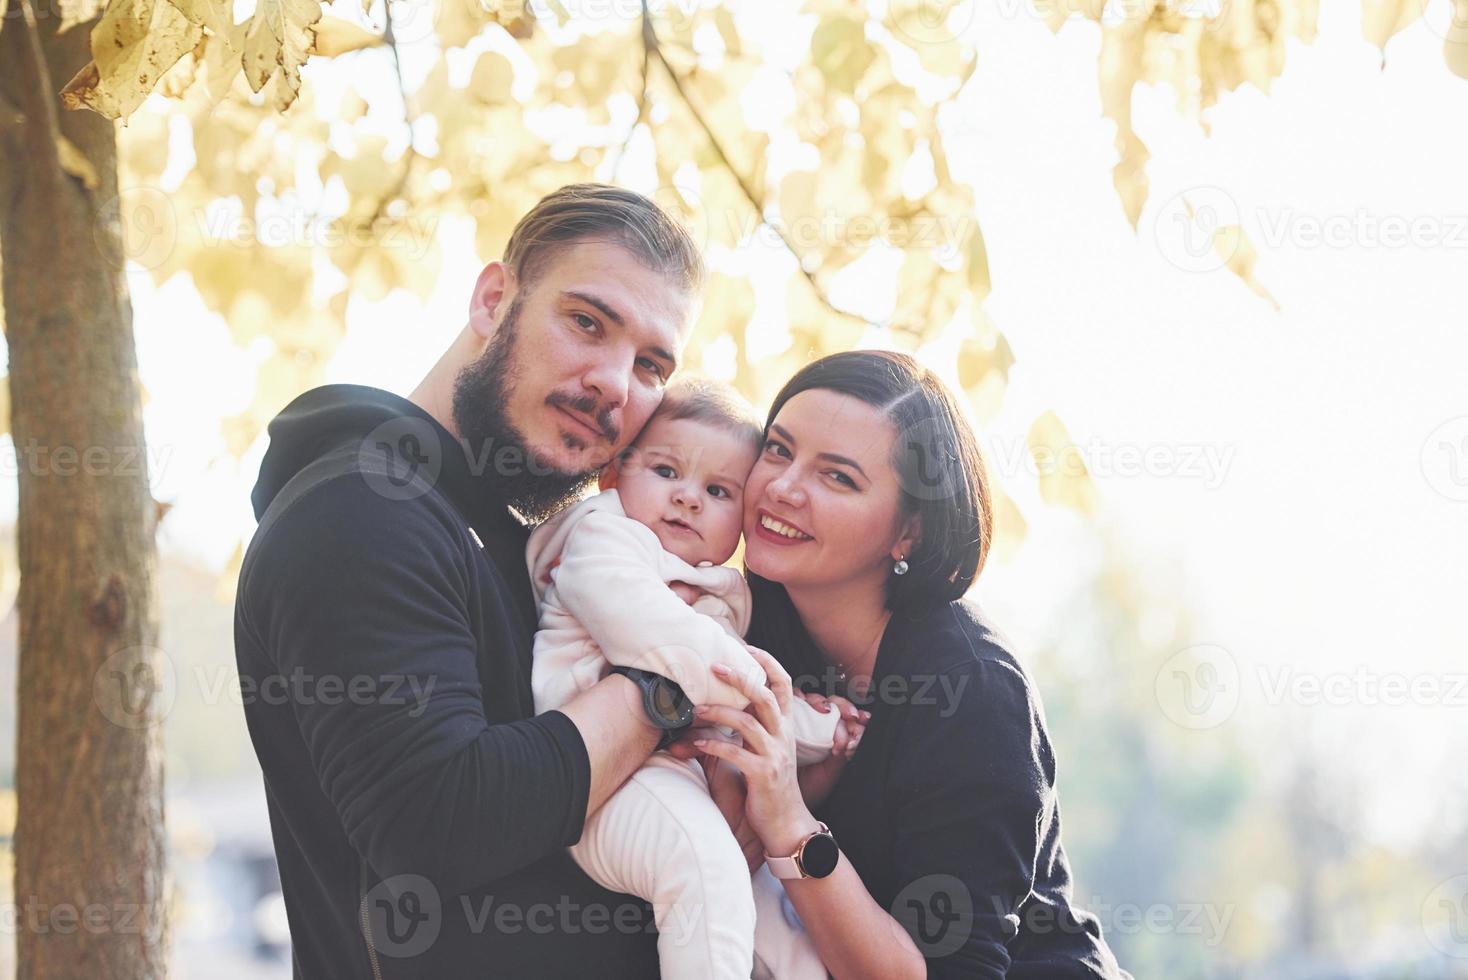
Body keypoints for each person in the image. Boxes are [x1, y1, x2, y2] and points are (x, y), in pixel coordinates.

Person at [234, 184, 713, 977]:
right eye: (588, 322)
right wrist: (663, 685)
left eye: (652, 365)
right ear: (494, 300)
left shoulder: (517, 543)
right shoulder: (360, 509)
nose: (616, 386)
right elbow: (436, 821)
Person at [679, 349, 1133, 979]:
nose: (783, 487)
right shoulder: (752, 627)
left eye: (837, 477)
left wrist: (790, 825)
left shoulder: (972, 692)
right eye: (779, 449)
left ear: (908, 535)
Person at [525, 376, 861, 978]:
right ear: (613, 475)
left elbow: (747, 717)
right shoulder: (604, 541)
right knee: (703, 866)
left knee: (781, 930)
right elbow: (666, 640)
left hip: (680, 779)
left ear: (743, 519)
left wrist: (824, 729)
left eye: (717, 490)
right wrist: (778, 700)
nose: (687, 499)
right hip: (603, 787)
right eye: (665, 471)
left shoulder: (718, 589)